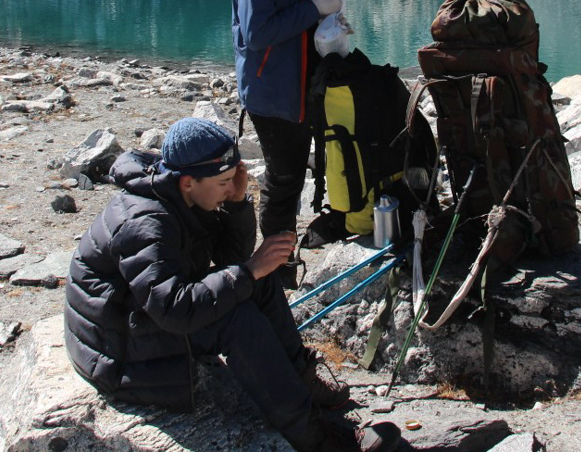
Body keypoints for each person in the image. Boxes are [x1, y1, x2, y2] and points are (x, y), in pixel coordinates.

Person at [64, 117, 399, 452]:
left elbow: (229, 259)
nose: (231, 185)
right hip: (116, 349)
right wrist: (249, 270)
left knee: (260, 281)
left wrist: (237, 205)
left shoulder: (179, 194)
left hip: (140, 316)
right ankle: (316, 438)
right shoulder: (147, 223)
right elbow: (173, 311)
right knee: (238, 320)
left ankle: (302, 379)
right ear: (187, 182)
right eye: (224, 181)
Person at [232, 0, 351, 248]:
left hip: (304, 91)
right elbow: (258, 34)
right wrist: (315, 8)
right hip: (272, 93)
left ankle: (284, 252)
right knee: (283, 180)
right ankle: (275, 268)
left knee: (296, 175)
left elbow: (304, 30)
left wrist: (332, 26)